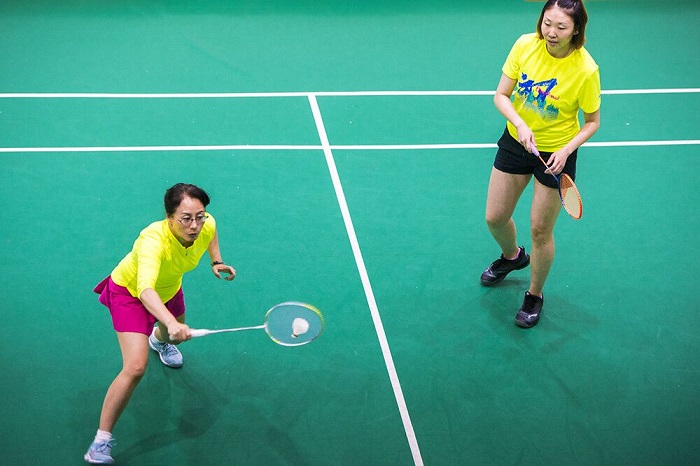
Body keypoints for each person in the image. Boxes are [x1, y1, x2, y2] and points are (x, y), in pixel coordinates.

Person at [84, 183, 236, 464]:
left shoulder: (206, 223)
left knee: (173, 337)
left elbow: (211, 232)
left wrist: (216, 261)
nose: (195, 225)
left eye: (199, 216)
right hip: (130, 294)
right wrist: (168, 320)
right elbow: (145, 290)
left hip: (169, 288)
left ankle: (159, 340)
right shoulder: (152, 241)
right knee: (135, 367)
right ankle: (100, 441)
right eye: (186, 219)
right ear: (169, 217)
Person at [481, 0, 600, 328]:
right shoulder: (525, 45)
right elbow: (501, 95)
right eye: (548, 23)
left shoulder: (586, 69)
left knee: (540, 229)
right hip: (517, 141)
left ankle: (534, 294)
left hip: (556, 154)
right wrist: (520, 124)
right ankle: (513, 257)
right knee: (495, 217)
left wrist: (566, 150)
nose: (551, 32)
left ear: (576, 29)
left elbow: (592, 122)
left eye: (561, 27)